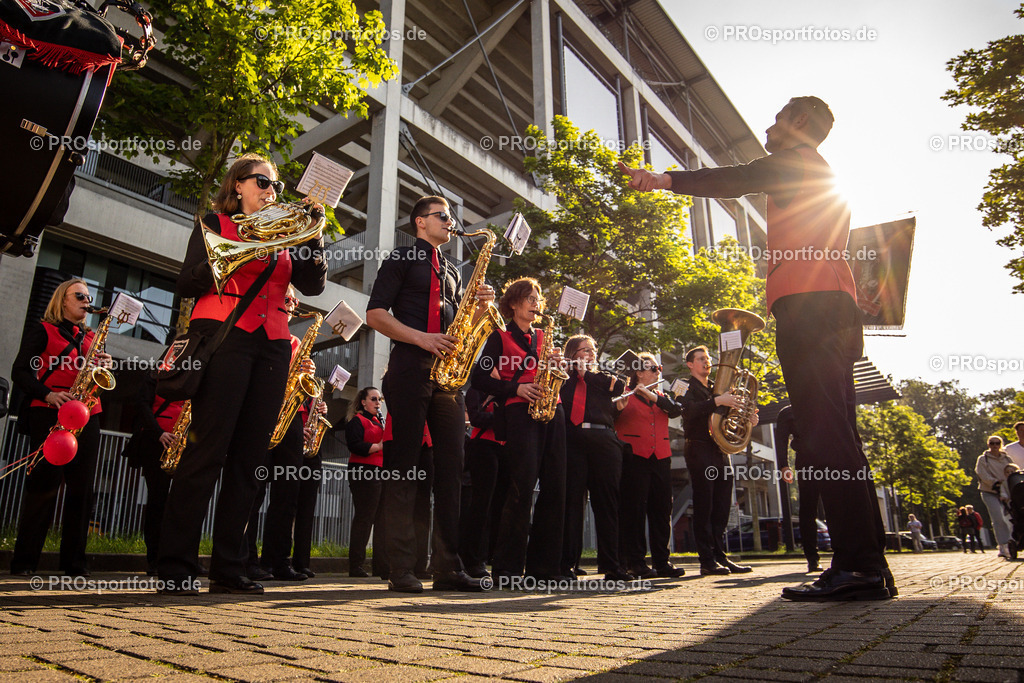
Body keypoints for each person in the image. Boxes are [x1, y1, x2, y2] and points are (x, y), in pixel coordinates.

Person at [620, 96, 893, 601]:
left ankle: (858, 566)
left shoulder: (798, 161)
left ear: (801, 123)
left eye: (777, 118)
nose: (768, 127)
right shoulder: (816, 173)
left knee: (823, 434)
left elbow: (737, 176)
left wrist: (664, 180)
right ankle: (868, 562)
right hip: (828, 306)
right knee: (839, 434)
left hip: (809, 306)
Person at [158, 153, 326, 595]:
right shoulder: (215, 224)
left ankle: (230, 567)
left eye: (276, 186)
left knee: (251, 461)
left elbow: (312, 285)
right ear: (238, 185)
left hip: (272, 345)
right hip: (225, 338)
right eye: (263, 182)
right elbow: (186, 283)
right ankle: (176, 566)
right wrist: (238, 255)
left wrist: (315, 232)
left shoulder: (288, 234)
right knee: (207, 451)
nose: (272, 191)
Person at [365, 195, 493, 593]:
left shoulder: (454, 270)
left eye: (451, 217)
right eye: (443, 216)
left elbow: (456, 328)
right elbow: (376, 314)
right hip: (408, 371)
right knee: (403, 469)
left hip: (448, 380)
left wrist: (478, 311)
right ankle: (401, 567)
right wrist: (422, 338)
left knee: (452, 472)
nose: (450, 223)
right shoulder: (401, 259)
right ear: (420, 222)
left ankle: (448, 567)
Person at [10, 279, 112, 577]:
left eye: (89, 296)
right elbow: (20, 370)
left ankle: (74, 564)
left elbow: (99, 377)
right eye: (79, 296)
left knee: (82, 490)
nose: (86, 300)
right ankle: (25, 562)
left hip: (88, 414)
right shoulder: (43, 330)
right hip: (50, 413)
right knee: (44, 487)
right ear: (62, 300)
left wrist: (104, 364)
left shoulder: (93, 336)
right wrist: (48, 394)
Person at [470, 278, 567, 581]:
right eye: (529, 297)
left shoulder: (544, 337)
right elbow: (480, 378)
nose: (535, 302)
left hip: (553, 410)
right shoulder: (499, 336)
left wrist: (556, 365)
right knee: (521, 488)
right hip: (519, 413)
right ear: (513, 303)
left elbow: (556, 372)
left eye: (538, 297)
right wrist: (516, 389)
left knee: (555, 487)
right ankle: (508, 568)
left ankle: (545, 568)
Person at [244, 287, 316, 582]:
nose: (293, 303)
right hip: (262, 414)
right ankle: (246, 560)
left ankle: (278, 561)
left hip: (291, 419)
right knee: (254, 490)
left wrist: (307, 373)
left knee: (288, 493)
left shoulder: (297, 342)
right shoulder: (256, 332)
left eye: (295, 299)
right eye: (287, 297)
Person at [559, 334, 632, 582]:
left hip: (603, 441)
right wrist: (571, 372)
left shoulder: (603, 378)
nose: (590, 354)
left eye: (593, 350)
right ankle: (567, 565)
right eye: (584, 350)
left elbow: (620, 388)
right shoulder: (562, 377)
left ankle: (613, 566)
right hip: (573, 441)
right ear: (571, 353)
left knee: (607, 504)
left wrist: (585, 373)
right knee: (572, 504)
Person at [679, 345, 755, 576]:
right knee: (705, 505)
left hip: (721, 451)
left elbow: (730, 417)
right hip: (699, 449)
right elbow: (687, 412)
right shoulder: (682, 385)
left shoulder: (718, 388)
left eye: (708, 358)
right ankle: (706, 560)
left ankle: (721, 556)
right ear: (690, 364)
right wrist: (718, 401)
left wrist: (747, 416)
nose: (707, 362)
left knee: (721, 507)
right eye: (701, 359)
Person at [615, 352, 685, 579]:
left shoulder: (662, 397)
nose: (658, 371)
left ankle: (662, 562)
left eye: (659, 368)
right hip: (634, 456)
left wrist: (652, 395)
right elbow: (610, 414)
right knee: (634, 511)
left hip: (661, 457)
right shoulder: (624, 394)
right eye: (653, 368)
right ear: (639, 372)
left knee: (662, 510)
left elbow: (676, 410)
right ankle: (635, 562)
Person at [126, 372, 186, 575]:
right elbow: (143, 405)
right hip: (155, 443)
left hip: (184, 446)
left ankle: (183, 558)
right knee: (158, 502)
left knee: (183, 505)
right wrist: (158, 432)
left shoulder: (195, 375)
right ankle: (155, 558)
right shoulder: (154, 375)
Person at [459, 386, 508, 579]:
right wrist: (505, 418)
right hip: (484, 446)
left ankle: (497, 558)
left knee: (502, 507)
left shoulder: (511, 389)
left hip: (506, 447)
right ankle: (473, 560)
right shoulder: (476, 391)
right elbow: (476, 418)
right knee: (482, 505)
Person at [775, 405, 822, 573]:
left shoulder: (826, 404)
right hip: (806, 461)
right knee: (808, 508)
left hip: (832, 456)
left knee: (837, 506)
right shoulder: (787, 412)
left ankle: (844, 554)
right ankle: (812, 558)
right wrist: (784, 466)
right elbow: (780, 440)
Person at [344, 386, 385, 578]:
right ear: (363, 401)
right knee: (364, 517)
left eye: (379, 400)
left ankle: (381, 566)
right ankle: (356, 565)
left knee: (381, 518)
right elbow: (355, 445)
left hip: (380, 471)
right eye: (374, 399)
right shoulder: (356, 421)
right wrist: (378, 446)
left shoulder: (378, 421)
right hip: (363, 470)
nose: (378, 403)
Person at [975, 435, 1014, 559]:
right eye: (992, 443)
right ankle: (1003, 545)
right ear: (988, 445)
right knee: (998, 517)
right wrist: (996, 482)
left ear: (1001, 444)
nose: (995, 446)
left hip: (1006, 491)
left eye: (997, 443)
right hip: (990, 491)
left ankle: (1013, 541)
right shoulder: (983, 459)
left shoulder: (1006, 458)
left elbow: (1013, 471)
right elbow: (982, 474)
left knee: (1011, 518)